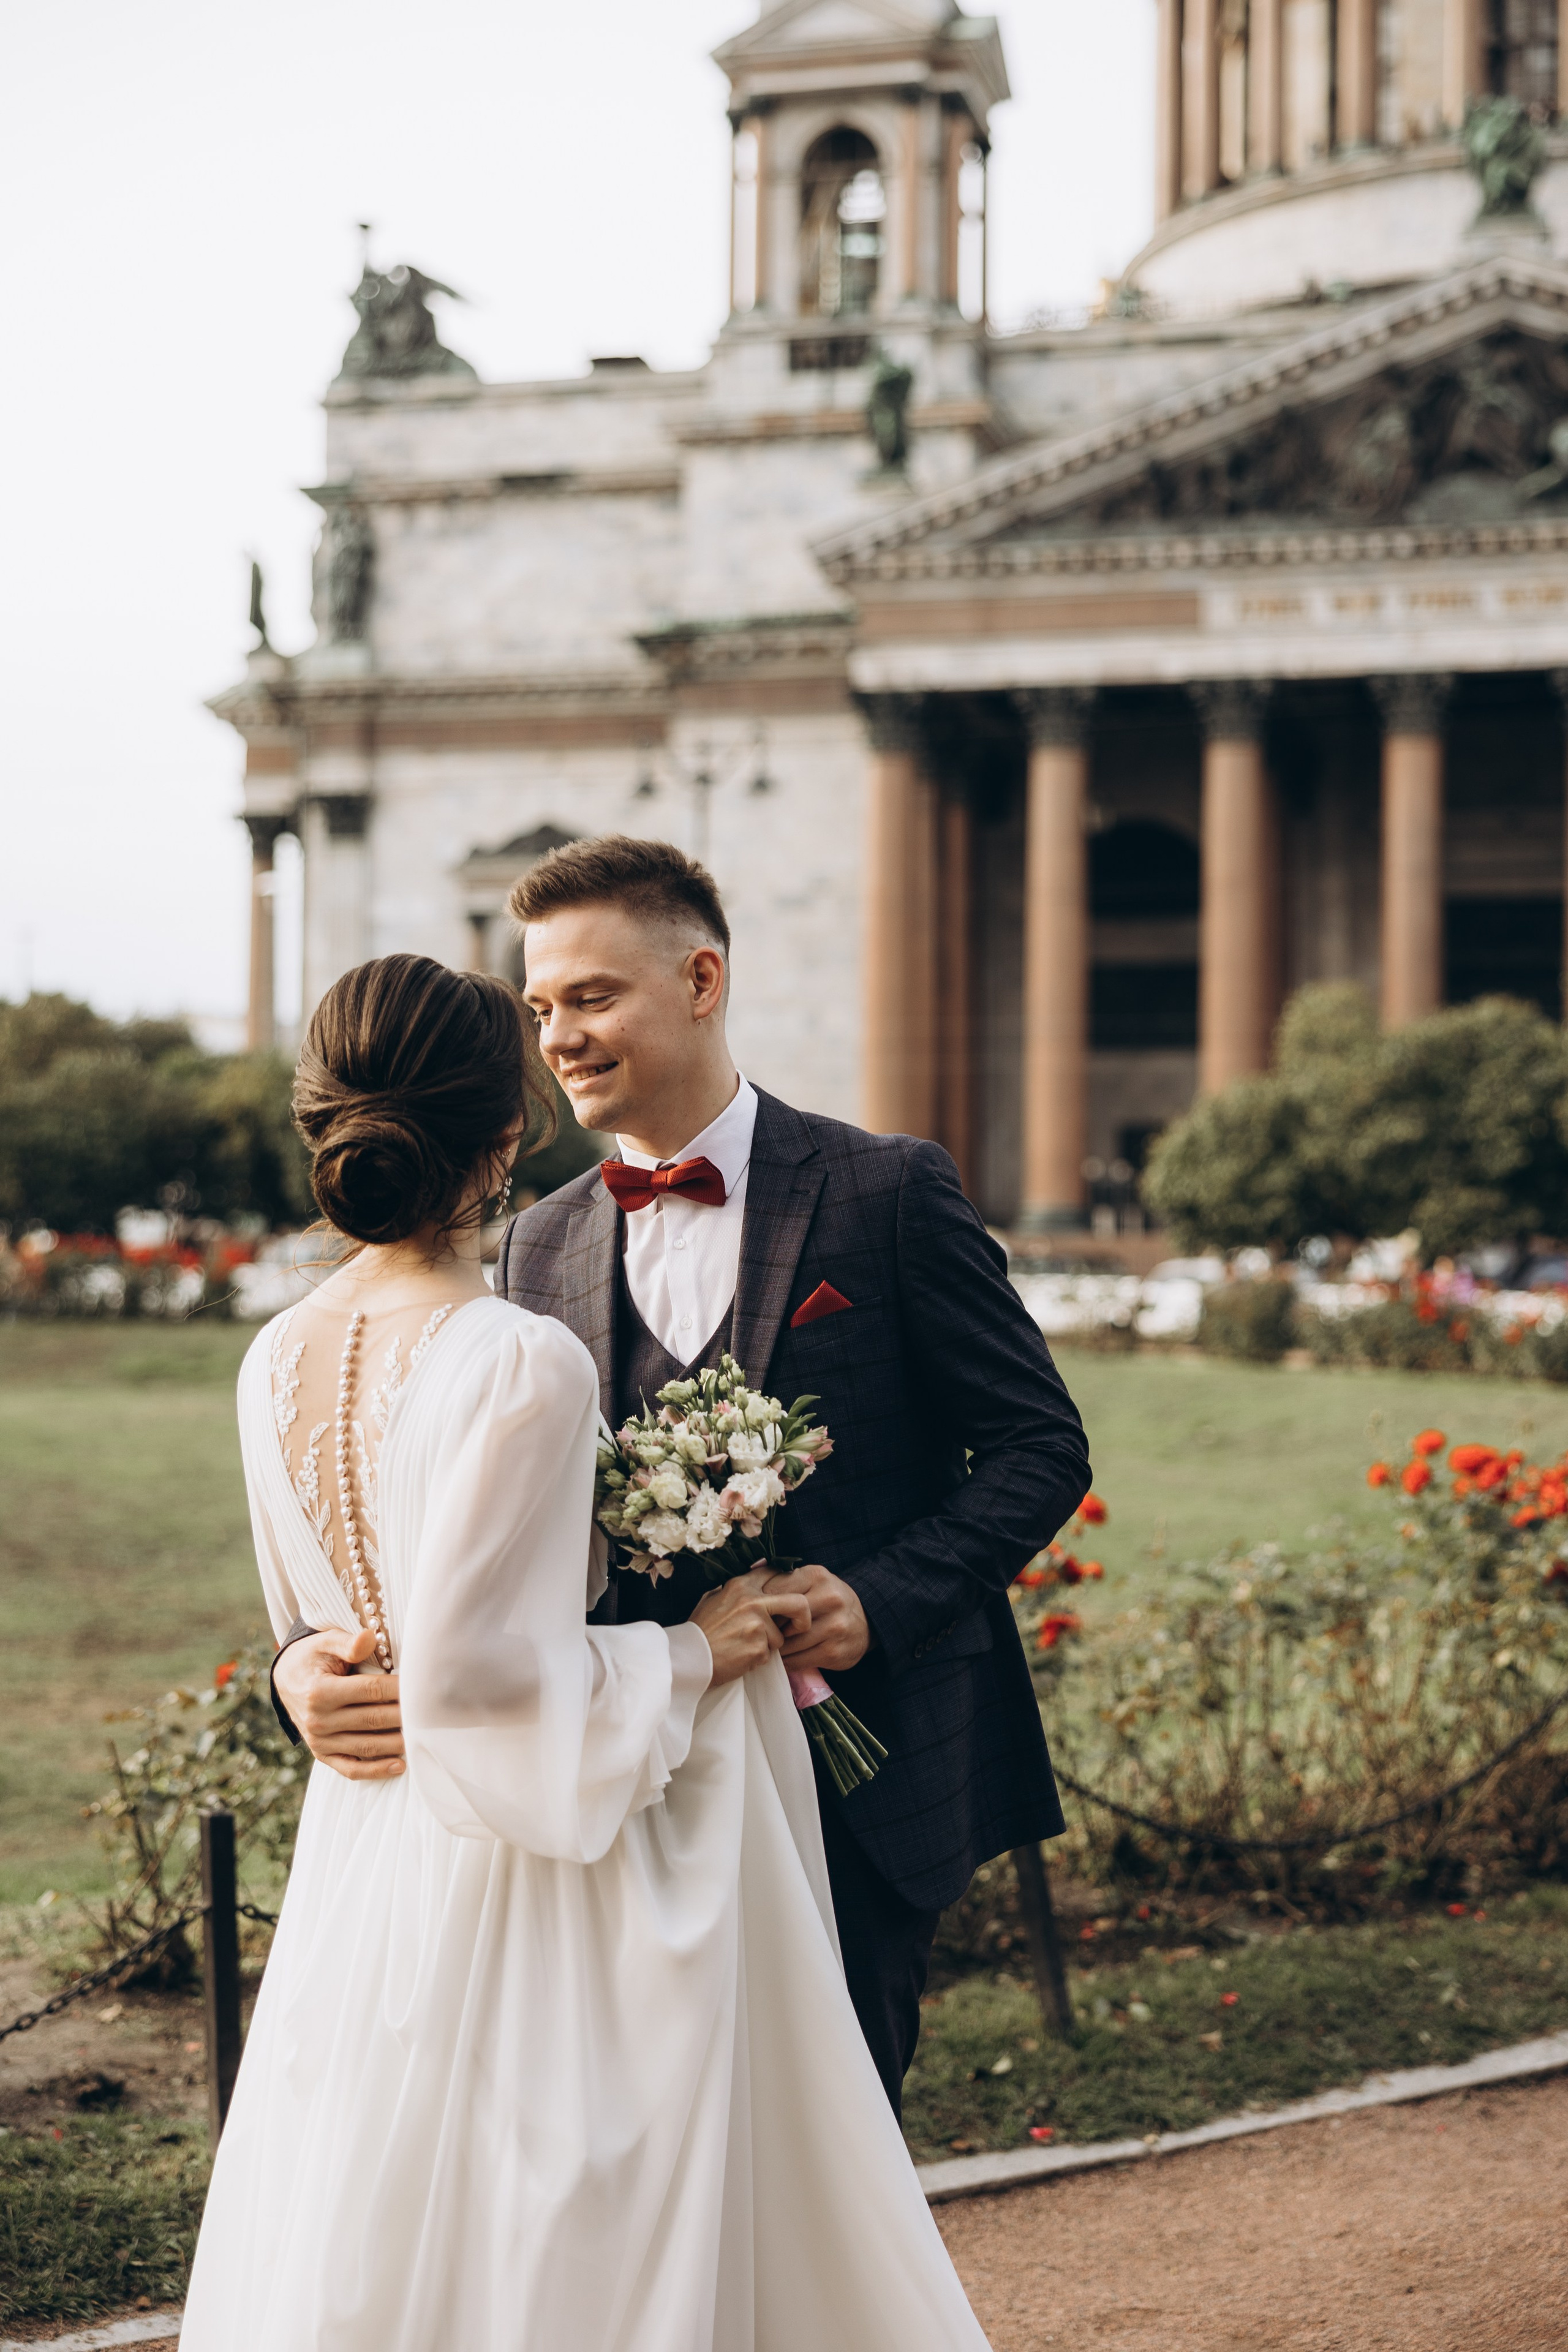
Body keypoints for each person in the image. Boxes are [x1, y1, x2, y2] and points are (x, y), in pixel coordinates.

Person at [185, 951, 993, 2352]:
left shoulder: (272, 1359)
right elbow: (494, 1688)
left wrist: (302, 1661)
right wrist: (695, 1652)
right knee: (564, 2233)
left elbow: (334, 1618)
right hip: (527, 1878)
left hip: (364, 1867)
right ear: (510, 1130)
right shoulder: (516, 1357)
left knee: (378, 2217)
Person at [280, 838, 1089, 2111]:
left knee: (831, 2152)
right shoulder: (534, 1246)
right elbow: (423, 1510)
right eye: (541, 1006)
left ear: (701, 980)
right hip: (620, 1788)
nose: (558, 1037)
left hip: (856, 1783)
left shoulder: (885, 1190)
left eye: (592, 997)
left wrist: (877, 1600)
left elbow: (1040, 1445)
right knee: (658, 2163)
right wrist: (300, 1668)